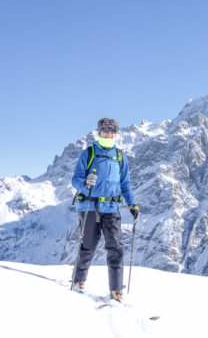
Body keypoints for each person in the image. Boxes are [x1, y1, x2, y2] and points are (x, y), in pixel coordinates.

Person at [71, 117, 139, 302]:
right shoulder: (89, 153)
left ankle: (116, 291)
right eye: (105, 130)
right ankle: (78, 281)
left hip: (112, 208)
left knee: (116, 249)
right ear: (99, 131)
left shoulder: (119, 156)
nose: (109, 134)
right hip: (90, 206)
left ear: (116, 134)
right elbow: (75, 179)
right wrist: (85, 184)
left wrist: (132, 204)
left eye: (112, 131)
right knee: (88, 247)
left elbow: (125, 184)